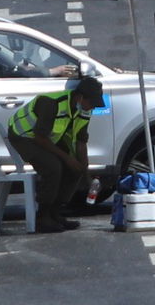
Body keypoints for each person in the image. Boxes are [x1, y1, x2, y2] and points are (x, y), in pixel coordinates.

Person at [6, 76, 104, 233]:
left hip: (47, 138)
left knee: (75, 168)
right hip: (24, 136)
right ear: (79, 97)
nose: (92, 107)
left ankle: (55, 213)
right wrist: (67, 158)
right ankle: (42, 217)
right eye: (91, 103)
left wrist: (85, 173)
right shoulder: (51, 103)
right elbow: (39, 137)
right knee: (53, 167)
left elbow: (80, 143)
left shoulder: (85, 110)